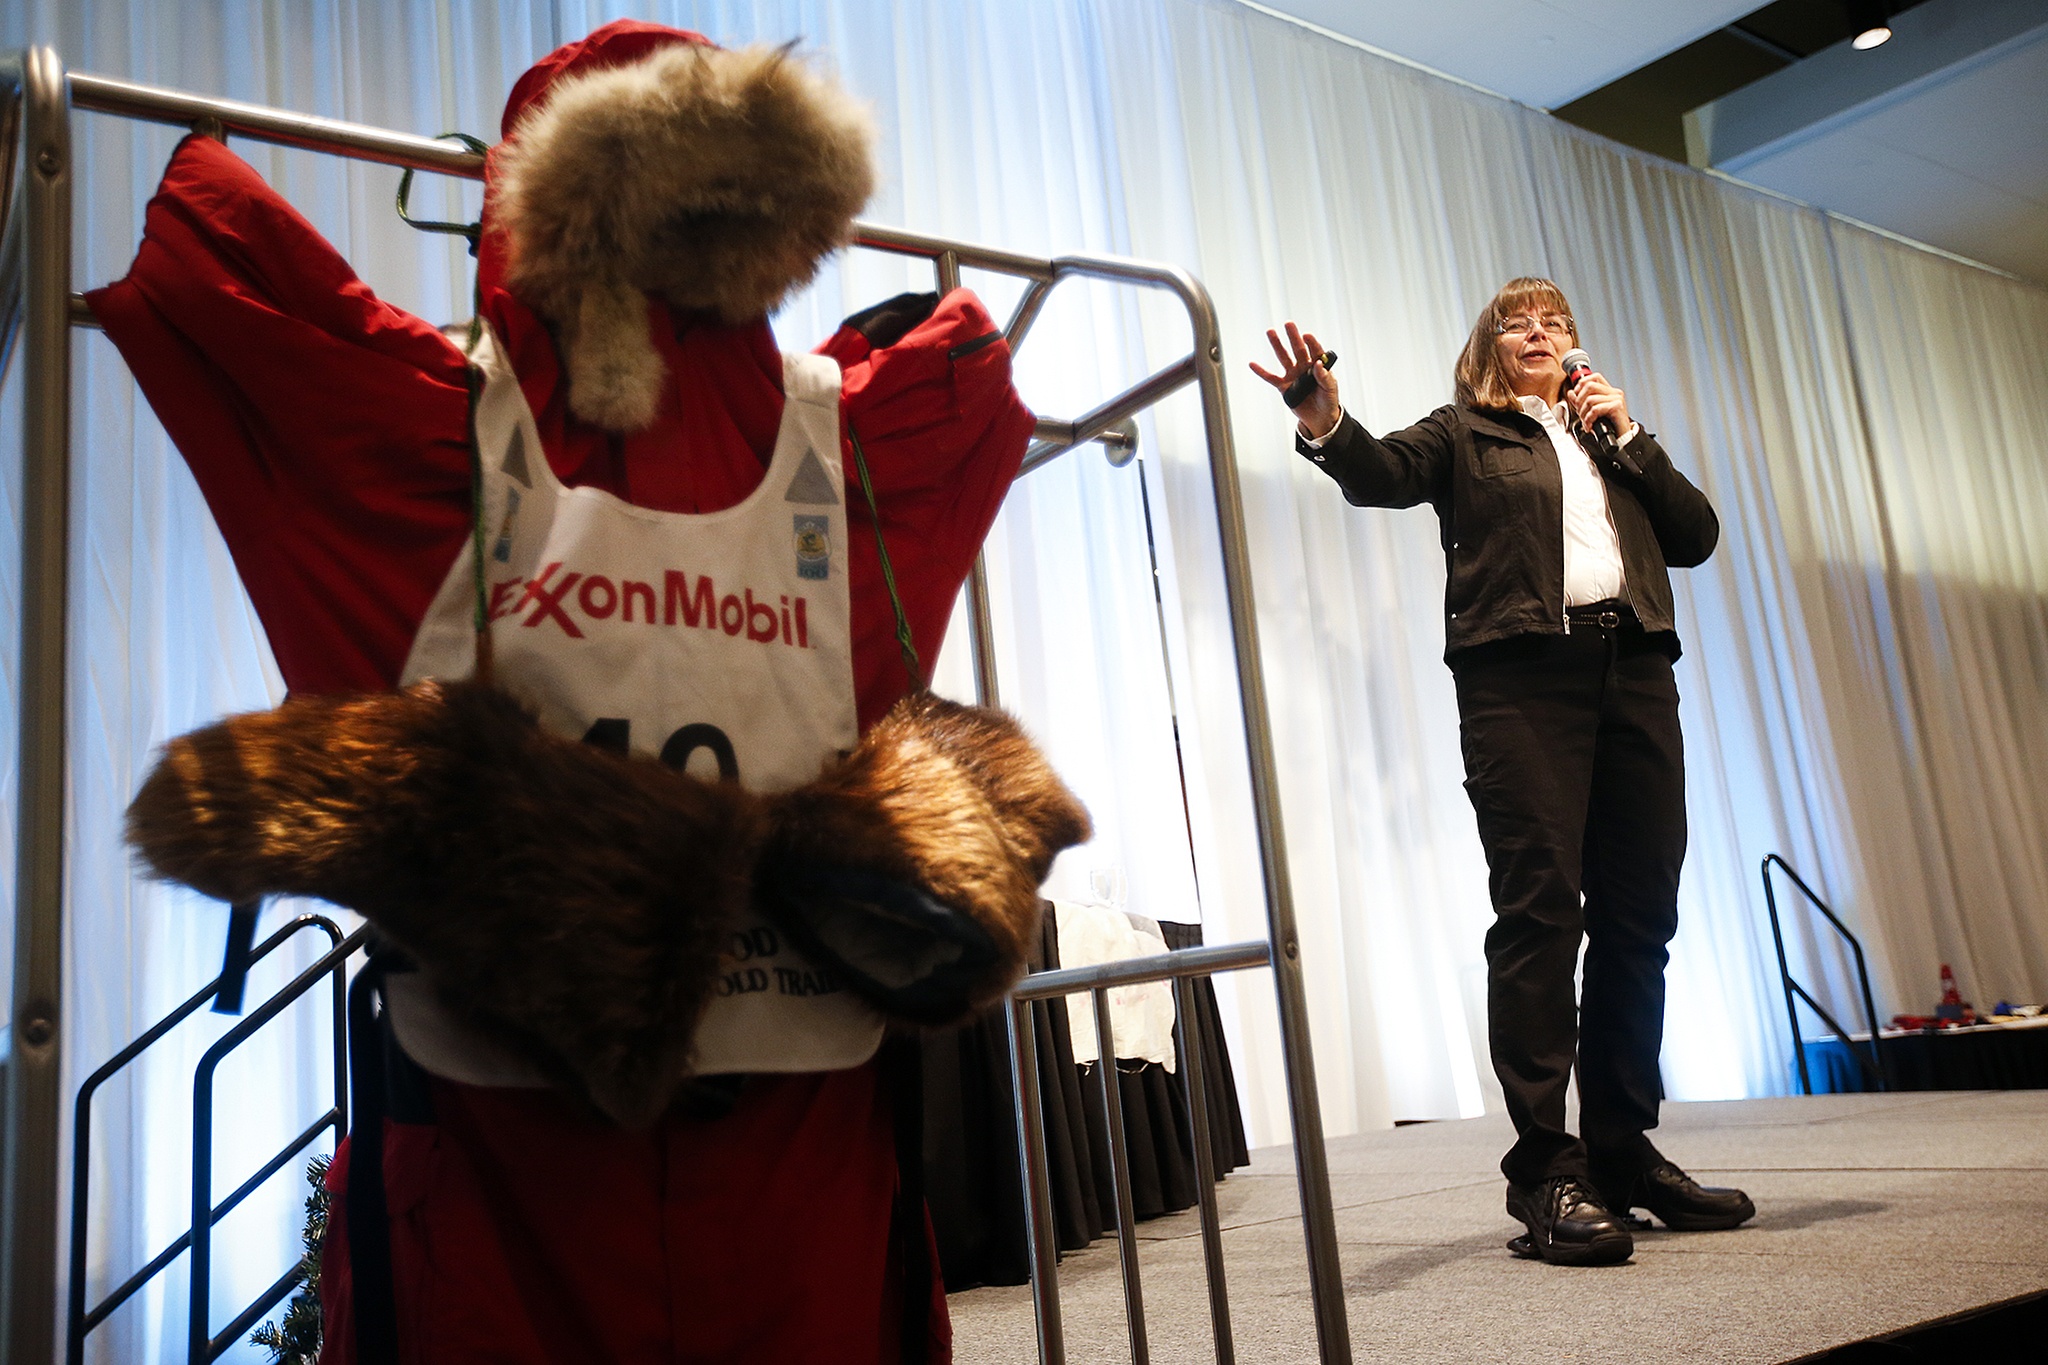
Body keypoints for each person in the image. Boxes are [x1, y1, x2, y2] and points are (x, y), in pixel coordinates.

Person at [1252, 278, 1754, 1266]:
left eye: (1555, 320)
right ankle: (1543, 1168)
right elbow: (1376, 473)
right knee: (1538, 912)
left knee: (1638, 915)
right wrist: (1320, 415)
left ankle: (1619, 1148)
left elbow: (1692, 538)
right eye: (1516, 321)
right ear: (1488, 349)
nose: (1537, 330)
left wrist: (1631, 433)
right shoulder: (1464, 433)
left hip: (1636, 671)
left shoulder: (1609, 438)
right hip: (1521, 679)